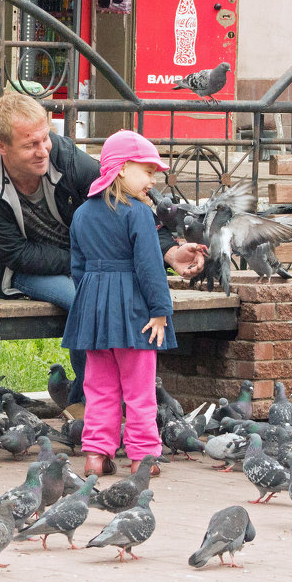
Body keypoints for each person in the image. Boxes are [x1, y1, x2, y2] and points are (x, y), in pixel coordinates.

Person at [0, 92, 203, 407]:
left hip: (85, 262)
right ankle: (91, 403)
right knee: (86, 298)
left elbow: (121, 198)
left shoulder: (64, 156)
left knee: (105, 291)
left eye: (45, 138)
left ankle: (106, 399)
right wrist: (93, 265)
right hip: (19, 271)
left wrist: (167, 251)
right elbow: (18, 255)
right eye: (30, 144)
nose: (42, 150)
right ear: (0, 146)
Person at [61, 130, 176, 478]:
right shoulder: (138, 213)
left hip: (94, 313)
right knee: (139, 390)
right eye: (148, 171)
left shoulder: (82, 214)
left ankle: (96, 454)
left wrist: (92, 302)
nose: (153, 180)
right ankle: (142, 457)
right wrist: (160, 310)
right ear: (123, 169)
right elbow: (149, 266)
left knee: (99, 389)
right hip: (135, 313)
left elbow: (77, 268)